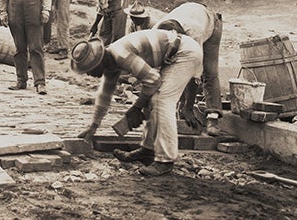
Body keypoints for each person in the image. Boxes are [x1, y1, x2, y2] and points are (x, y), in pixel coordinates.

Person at [72, 28, 203, 177]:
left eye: (90, 69)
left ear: (99, 61)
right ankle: (147, 150)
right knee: (151, 101)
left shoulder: (121, 55)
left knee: (162, 100)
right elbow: (104, 96)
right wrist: (93, 127)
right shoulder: (110, 63)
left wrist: (136, 108)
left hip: (185, 52)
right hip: (174, 53)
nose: (89, 74)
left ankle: (165, 161)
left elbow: (153, 81)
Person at [155, 2, 224, 136]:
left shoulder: (194, 34)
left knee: (209, 72)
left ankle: (213, 118)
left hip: (211, 22)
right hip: (190, 14)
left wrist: (188, 107)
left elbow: (194, 74)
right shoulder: (155, 32)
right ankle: (179, 109)